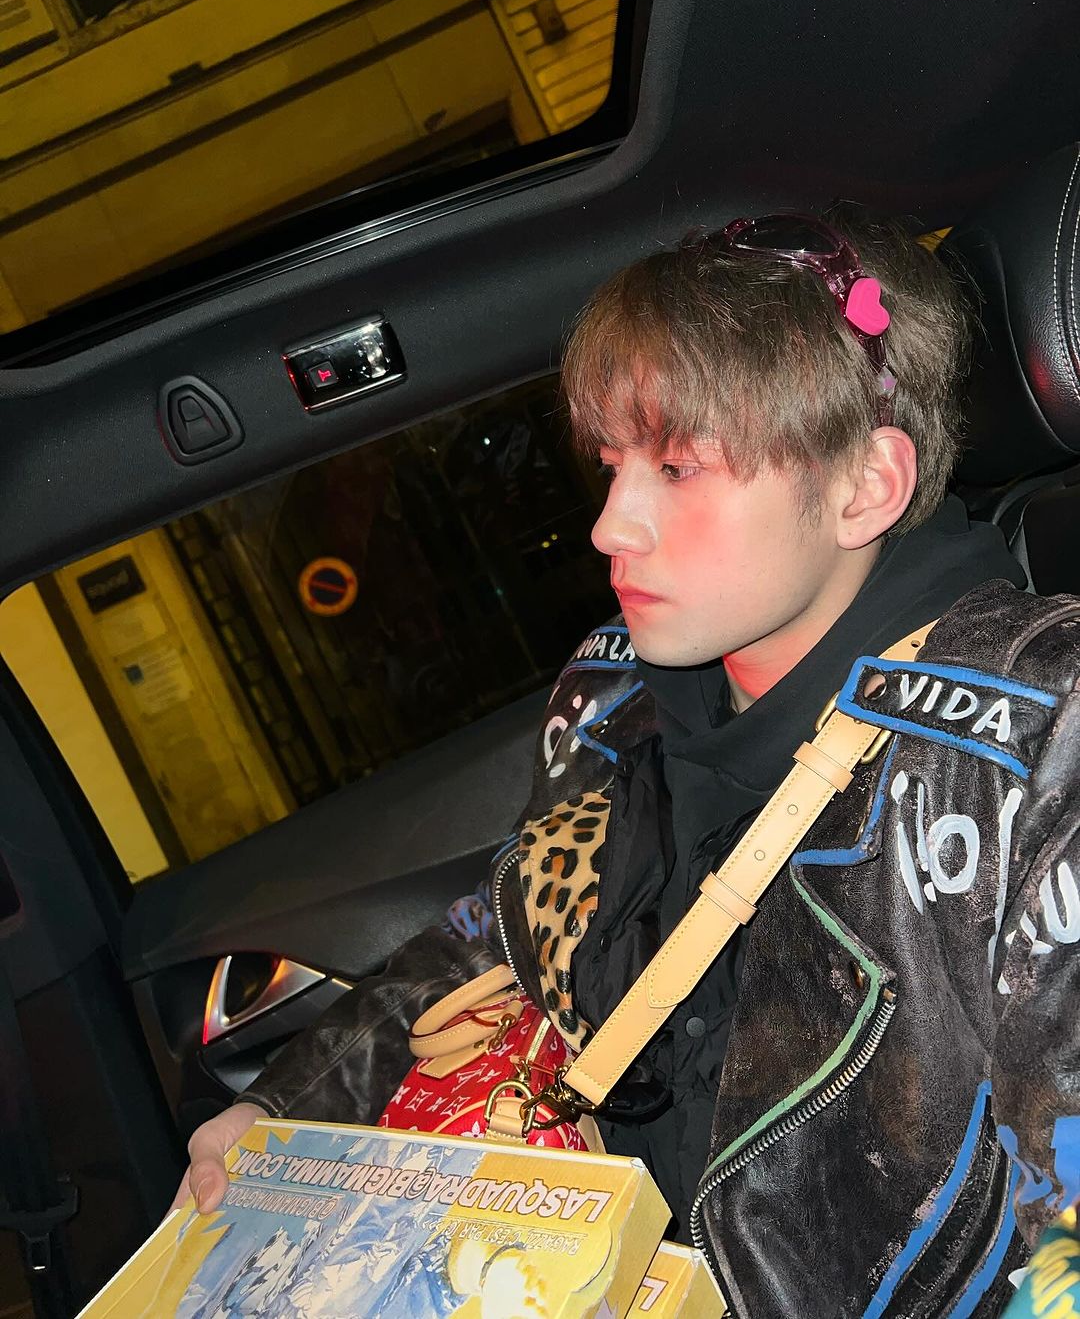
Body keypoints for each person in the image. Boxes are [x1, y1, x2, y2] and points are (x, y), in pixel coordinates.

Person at [175, 209, 1080, 1316]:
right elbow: (501, 930)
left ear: (865, 488)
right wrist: (283, 1114)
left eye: (678, 467)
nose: (612, 525)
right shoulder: (612, 694)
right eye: (613, 465)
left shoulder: (1038, 741)